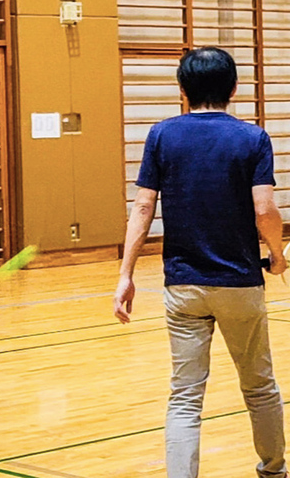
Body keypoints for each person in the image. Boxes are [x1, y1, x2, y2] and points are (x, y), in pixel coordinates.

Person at [113, 46, 287, 478]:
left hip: (182, 285)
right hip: (240, 283)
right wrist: (278, 256)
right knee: (259, 386)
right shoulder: (252, 138)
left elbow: (142, 208)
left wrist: (126, 275)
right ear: (233, 87)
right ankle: (273, 469)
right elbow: (264, 210)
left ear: (182, 90)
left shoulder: (162, 135)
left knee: (185, 395)